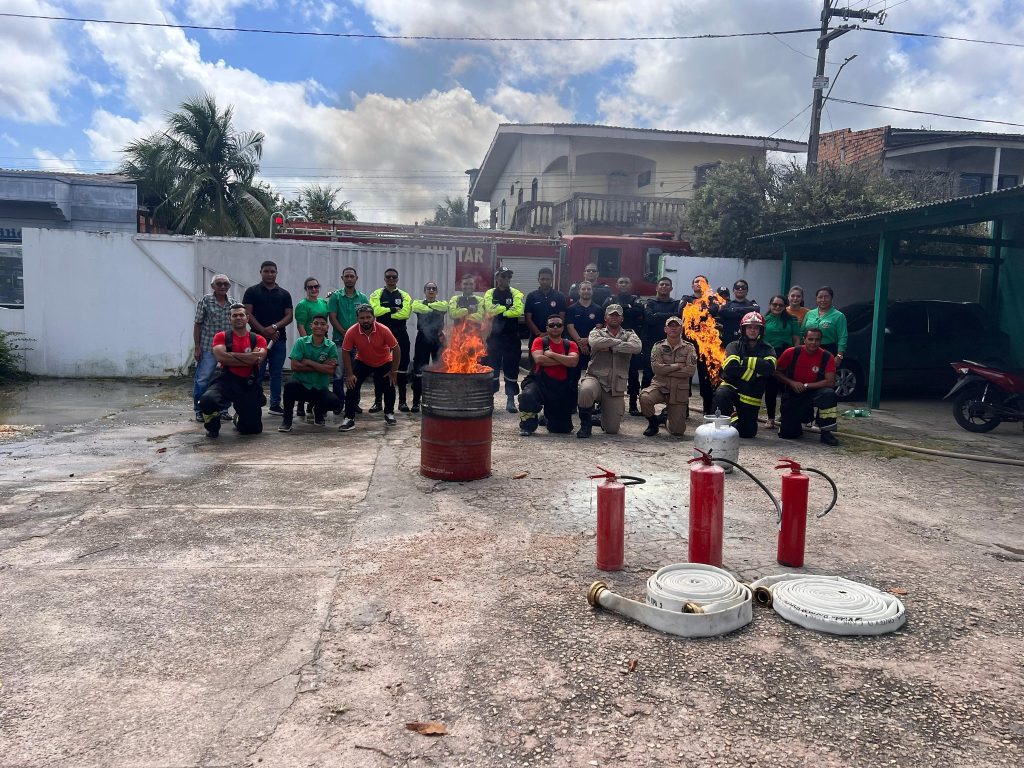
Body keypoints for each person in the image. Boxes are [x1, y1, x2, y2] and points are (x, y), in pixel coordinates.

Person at [198, 303, 268, 438]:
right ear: (229, 318)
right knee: (207, 400)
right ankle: (212, 426)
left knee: (252, 430)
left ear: (247, 318)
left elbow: (258, 359)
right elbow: (221, 357)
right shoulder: (221, 336)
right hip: (226, 380)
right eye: (234, 315)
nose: (238, 318)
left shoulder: (258, 339)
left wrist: (232, 355)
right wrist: (249, 358)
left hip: (248, 383)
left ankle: (238, 417)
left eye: (241, 315)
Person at [576, 304, 642, 438]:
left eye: (617, 315)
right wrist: (621, 344)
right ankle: (585, 425)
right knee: (585, 390)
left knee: (612, 429)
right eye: (611, 314)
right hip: (595, 379)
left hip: (615, 385)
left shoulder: (630, 334)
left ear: (622, 318)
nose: (614, 317)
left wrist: (611, 347)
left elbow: (636, 347)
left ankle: (601, 419)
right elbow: (595, 343)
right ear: (605, 317)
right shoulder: (596, 332)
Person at [712, 311, 777, 438]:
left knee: (748, 433)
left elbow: (769, 369)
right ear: (743, 329)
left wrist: (743, 360)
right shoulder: (734, 345)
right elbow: (730, 367)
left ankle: (735, 420)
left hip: (751, 392)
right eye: (749, 327)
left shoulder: (768, 348)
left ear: (761, 330)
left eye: (756, 327)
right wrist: (754, 374)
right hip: (732, 386)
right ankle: (721, 427)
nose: (752, 330)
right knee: (721, 394)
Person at [338, 305, 401, 431]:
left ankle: (389, 413)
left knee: (389, 386)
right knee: (352, 385)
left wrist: (394, 371)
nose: (365, 320)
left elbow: (396, 348)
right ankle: (349, 418)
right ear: (357, 319)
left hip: (383, 361)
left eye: (368, 317)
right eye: (362, 318)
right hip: (363, 361)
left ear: (374, 317)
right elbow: (345, 352)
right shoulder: (352, 331)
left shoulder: (383, 329)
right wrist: (349, 374)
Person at [774, 328, 840, 446]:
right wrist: (791, 383)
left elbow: (830, 382)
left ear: (821, 341)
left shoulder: (827, 356)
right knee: (789, 434)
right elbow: (777, 372)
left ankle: (826, 432)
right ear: (804, 339)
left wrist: (807, 385)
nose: (813, 343)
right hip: (794, 392)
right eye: (810, 339)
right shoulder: (791, 352)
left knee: (829, 394)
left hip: (814, 392)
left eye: (817, 340)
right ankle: (800, 420)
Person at [243, 261, 293, 415]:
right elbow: (248, 314)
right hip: (257, 340)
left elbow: (289, 316)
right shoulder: (251, 291)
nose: (270, 274)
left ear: (276, 273)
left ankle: (275, 405)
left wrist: (274, 327)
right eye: (266, 271)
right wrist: (264, 331)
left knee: (276, 373)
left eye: (273, 271)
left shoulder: (284, 294)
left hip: (279, 339)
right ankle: (254, 402)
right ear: (261, 272)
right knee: (257, 372)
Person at [518, 315, 579, 436]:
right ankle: (528, 425)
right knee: (526, 396)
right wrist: (564, 360)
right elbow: (539, 360)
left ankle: (546, 418)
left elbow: (574, 362)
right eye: (551, 325)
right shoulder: (539, 341)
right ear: (547, 327)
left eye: (558, 325)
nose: (555, 327)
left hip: (560, 388)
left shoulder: (570, 344)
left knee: (562, 430)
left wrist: (551, 354)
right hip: (539, 384)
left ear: (563, 328)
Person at [280, 315, 341, 432]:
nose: (319, 326)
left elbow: (331, 370)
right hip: (302, 385)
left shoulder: (331, 346)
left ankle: (318, 412)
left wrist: (308, 362)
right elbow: (295, 366)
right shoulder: (301, 342)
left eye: (323, 324)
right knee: (289, 387)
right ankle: (287, 421)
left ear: (327, 327)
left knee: (334, 403)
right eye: (316, 323)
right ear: (311, 326)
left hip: (319, 387)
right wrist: (321, 365)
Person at [639, 315, 698, 437]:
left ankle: (665, 418)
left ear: (681, 329)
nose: (673, 329)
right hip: (660, 385)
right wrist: (678, 365)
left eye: (677, 326)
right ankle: (653, 422)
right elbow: (656, 368)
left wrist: (666, 369)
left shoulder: (689, 348)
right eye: (670, 326)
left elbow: (690, 371)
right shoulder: (658, 346)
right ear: (665, 329)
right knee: (644, 397)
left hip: (679, 390)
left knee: (677, 432)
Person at [192, 273, 236, 422]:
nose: (223, 286)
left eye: (225, 284)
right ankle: (199, 410)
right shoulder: (206, 300)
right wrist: (197, 347)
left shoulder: (233, 304)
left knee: (228, 379)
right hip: (208, 347)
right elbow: (198, 324)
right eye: (219, 284)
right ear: (213, 286)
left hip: (227, 349)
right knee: (202, 379)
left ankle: (223, 409)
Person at [369, 268, 413, 411]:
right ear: (384, 279)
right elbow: (375, 312)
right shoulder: (377, 294)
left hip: (401, 334)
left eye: (394, 277)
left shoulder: (404, 295)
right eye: (388, 277)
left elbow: (405, 314)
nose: (391, 280)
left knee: (402, 368)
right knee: (379, 368)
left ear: (397, 279)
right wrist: (393, 309)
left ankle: (402, 402)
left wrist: (386, 311)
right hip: (381, 335)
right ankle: (378, 402)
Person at [327, 266, 370, 414]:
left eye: (352, 276)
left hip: (359, 344)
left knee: (355, 374)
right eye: (347, 276)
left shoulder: (363, 298)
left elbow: (366, 319)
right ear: (342, 278)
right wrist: (344, 332)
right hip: (340, 340)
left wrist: (355, 335)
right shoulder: (336, 297)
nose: (349, 278)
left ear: (356, 278)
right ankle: (338, 403)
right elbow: (332, 316)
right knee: (338, 374)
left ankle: (353, 403)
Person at [483, 267, 526, 413]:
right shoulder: (490, 293)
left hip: (511, 338)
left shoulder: (515, 293)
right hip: (494, 338)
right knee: (492, 368)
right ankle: (491, 399)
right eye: (503, 276)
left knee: (511, 368)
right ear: (497, 278)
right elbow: (489, 309)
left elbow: (518, 310)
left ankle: (510, 399)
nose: (505, 279)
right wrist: (508, 310)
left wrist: (500, 310)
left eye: (508, 277)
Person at [605, 276, 644, 415]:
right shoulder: (611, 298)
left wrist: (625, 308)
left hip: (629, 340)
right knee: (607, 373)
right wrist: (628, 309)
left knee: (633, 375)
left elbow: (639, 312)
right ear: (617, 284)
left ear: (630, 284)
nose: (623, 284)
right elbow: (605, 312)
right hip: (612, 339)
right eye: (621, 282)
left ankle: (633, 405)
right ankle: (602, 404)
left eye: (626, 282)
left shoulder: (635, 299)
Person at [292, 276, 329, 421]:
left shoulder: (323, 303)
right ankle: (301, 404)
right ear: (306, 289)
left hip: (322, 344)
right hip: (308, 343)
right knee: (304, 375)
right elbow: (301, 325)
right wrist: (305, 342)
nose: (314, 289)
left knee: (317, 374)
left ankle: (312, 405)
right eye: (310, 287)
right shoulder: (302, 305)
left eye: (316, 286)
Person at [680, 274, 718, 415]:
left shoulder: (712, 300)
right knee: (685, 379)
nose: (699, 283)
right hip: (688, 345)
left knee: (706, 380)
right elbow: (682, 313)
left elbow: (714, 310)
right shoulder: (686, 298)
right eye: (696, 281)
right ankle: (683, 410)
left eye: (702, 281)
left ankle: (707, 412)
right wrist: (703, 313)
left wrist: (694, 312)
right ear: (692, 285)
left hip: (706, 346)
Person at [763, 294, 802, 429]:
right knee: (771, 388)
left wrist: (796, 356)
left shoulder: (792, 320)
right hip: (770, 356)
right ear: (770, 305)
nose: (777, 307)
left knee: (787, 388)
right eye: (775, 304)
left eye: (781, 305)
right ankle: (771, 418)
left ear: (785, 306)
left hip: (787, 356)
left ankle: (787, 417)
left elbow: (796, 339)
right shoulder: (764, 320)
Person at [411, 282, 449, 412]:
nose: (431, 290)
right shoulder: (418, 303)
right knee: (419, 371)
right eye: (428, 288)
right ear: (424, 291)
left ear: (437, 292)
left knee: (440, 369)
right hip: (422, 339)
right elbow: (416, 308)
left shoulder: (442, 304)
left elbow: (444, 307)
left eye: (434, 289)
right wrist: (431, 308)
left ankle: (438, 400)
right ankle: (416, 401)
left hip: (438, 339)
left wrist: (429, 306)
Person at [566, 281, 601, 386]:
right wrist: (580, 343)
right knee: (573, 376)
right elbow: (570, 327)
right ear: (579, 291)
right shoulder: (571, 308)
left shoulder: (598, 309)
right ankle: (572, 399)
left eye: (589, 289)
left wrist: (588, 340)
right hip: (575, 347)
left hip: (593, 346)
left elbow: (598, 327)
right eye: (583, 289)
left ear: (592, 291)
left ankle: (590, 400)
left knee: (593, 376)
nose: (586, 291)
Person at [801, 286, 848, 364]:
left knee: (825, 374)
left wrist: (839, 356)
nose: (823, 300)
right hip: (808, 349)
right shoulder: (809, 313)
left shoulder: (839, 316)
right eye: (820, 297)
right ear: (816, 299)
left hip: (828, 350)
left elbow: (842, 337)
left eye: (826, 297)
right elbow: (802, 331)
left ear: (832, 299)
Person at [524, 267, 567, 344]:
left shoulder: (560, 296)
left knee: (556, 356)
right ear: (538, 280)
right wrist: (539, 334)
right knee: (536, 356)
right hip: (536, 338)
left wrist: (551, 333)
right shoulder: (532, 296)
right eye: (542, 279)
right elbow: (528, 318)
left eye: (547, 279)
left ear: (552, 280)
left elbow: (562, 318)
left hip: (556, 338)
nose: (545, 281)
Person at [717, 279, 760, 345]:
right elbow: (722, 311)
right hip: (728, 340)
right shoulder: (727, 304)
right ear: (733, 291)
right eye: (737, 287)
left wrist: (732, 311)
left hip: (746, 340)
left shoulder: (752, 304)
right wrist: (743, 313)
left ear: (747, 291)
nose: (740, 289)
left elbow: (756, 310)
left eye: (743, 287)